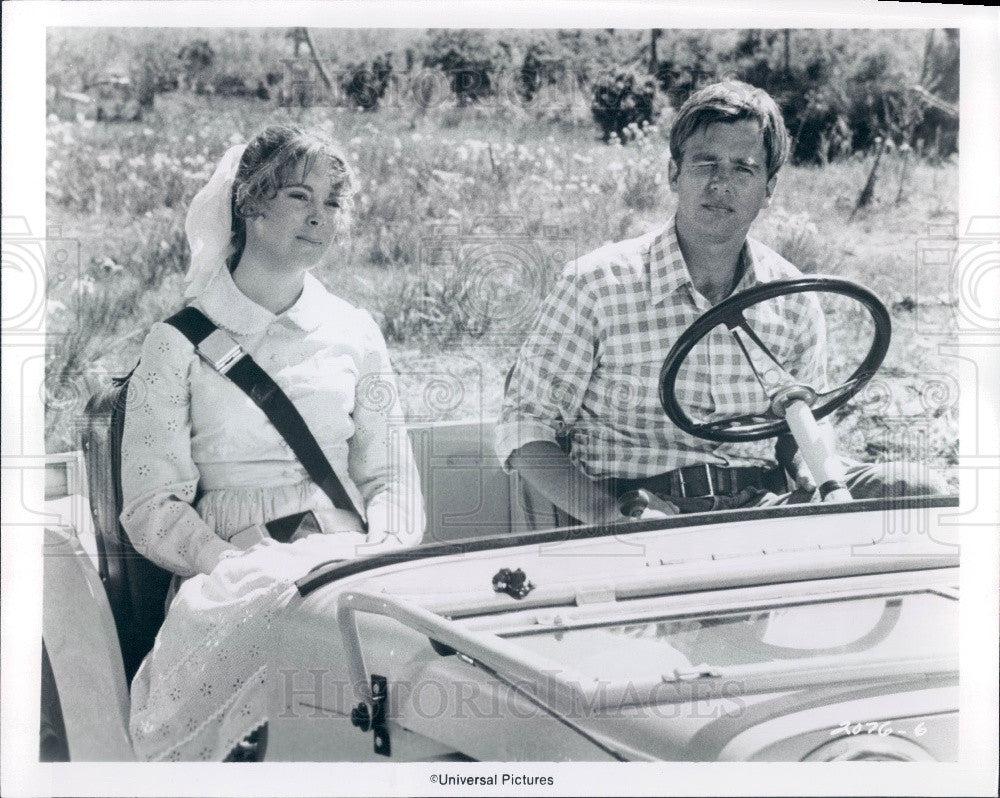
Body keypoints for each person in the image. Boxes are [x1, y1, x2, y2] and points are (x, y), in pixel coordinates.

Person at [496, 81, 941, 529]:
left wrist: (816, 474)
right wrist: (603, 513)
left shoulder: (792, 297)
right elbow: (525, 428)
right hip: (642, 510)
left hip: (763, 507)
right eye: (705, 163)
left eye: (743, 169)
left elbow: (802, 425)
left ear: (768, 188)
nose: (720, 184)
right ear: (675, 174)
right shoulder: (594, 284)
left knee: (919, 495)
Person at [119, 124, 424, 759]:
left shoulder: (355, 330)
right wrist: (227, 564)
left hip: (350, 557)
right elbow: (151, 507)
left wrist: (384, 549)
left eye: (332, 203)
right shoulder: (176, 343)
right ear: (251, 203)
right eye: (298, 197)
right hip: (232, 570)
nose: (321, 218)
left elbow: (389, 473)